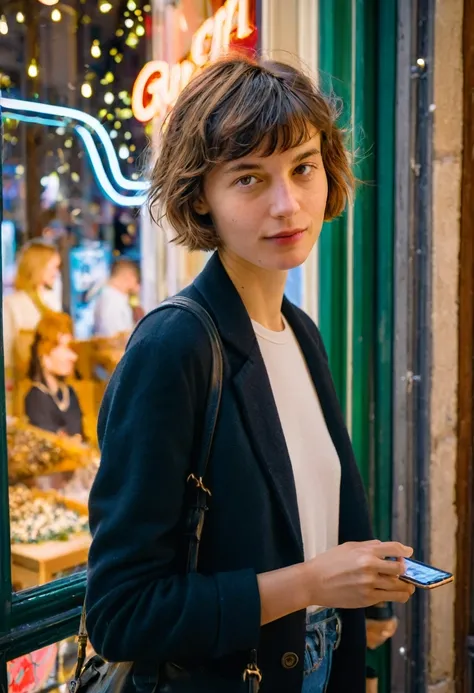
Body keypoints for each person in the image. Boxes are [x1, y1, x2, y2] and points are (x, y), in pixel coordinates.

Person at [86, 56, 415, 693]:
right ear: (200, 199)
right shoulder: (173, 346)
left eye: (303, 167)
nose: (287, 204)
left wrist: (362, 599)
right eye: (248, 178)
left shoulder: (301, 332)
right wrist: (313, 584)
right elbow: (120, 611)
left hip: (320, 659)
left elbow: (329, 500)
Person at [3, 241, 61, 384]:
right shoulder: (12, 303)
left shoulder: (53, 300)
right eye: (53, 267)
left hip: (53, 381)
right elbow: (7, 350)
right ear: (38, 267)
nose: (56, 272)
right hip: (25, 381)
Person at [25, 312, 83, 438]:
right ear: (44, 354)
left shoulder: (70, 394)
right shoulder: (36, 398)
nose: (73, 357)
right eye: (65, 348)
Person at [92, 258, 141, 337]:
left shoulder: (110, 296)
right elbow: (119, 337)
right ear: (129, 276)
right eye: (137, 280)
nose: (138, 286)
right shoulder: (114, 301)